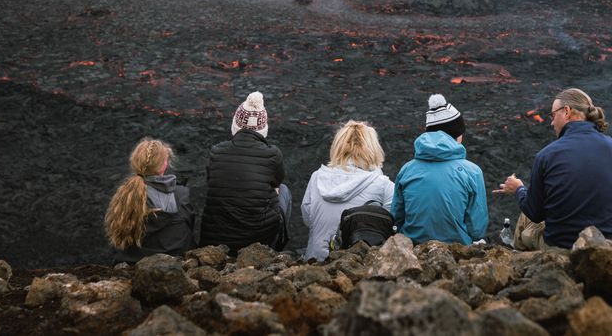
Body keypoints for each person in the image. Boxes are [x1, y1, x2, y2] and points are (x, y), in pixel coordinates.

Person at [493, 88, 612, 249]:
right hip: (611, 246)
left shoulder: (547, 155)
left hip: (561, 248)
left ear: (566, 111)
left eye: (553, 115)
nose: (552, 122)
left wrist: (518, 189)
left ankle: (517, 249)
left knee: (529, 199)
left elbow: (535, 213)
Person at [200, 91, 290, 252]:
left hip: (213, 242)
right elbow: (277, 183)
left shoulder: (216, 151)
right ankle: (276, 249)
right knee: (284, 190)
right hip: (258, 242)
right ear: (263, 129)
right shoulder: (273, 154)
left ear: (236, 125)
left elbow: (211, 182)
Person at [391, 94, 488, 244]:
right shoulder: (472, 172)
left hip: (413, 250)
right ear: (457, 134)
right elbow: (477, 229)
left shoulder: (406, 170)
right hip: (457, 251)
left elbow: (396, 219)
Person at [301, 120, 395, 261]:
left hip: (315, 263)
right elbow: (392, 228)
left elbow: (308, 220)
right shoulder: (383, 185)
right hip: (359, 267)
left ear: (337, 147)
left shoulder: (317, 178)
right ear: (374, 149)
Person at [104, 137, 195, 261]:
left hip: (130, 262)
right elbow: (188, 229)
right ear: (164, 165)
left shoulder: (126, 193)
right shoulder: (181, 194)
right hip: (175, 263)